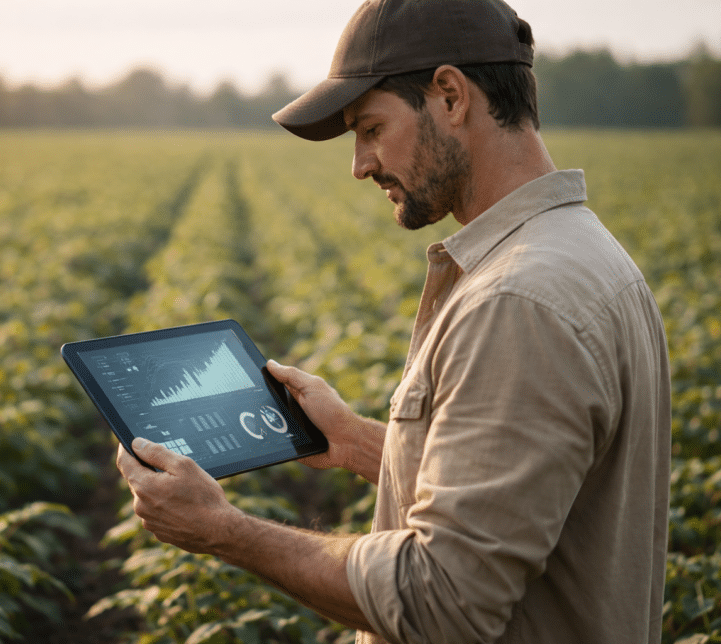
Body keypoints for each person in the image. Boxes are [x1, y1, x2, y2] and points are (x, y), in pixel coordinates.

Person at [116, 0, 672, 642]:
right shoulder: (582, 253)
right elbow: (519, 498)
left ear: (450, 96)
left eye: (371, 128)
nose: (359, 164)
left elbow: (444, 601)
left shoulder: (518, 302)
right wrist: (353, 441)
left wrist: (224, 531)